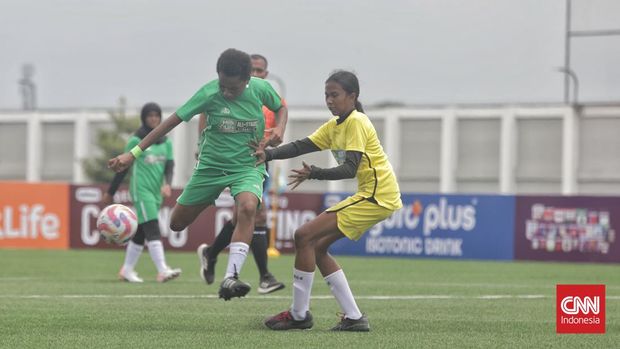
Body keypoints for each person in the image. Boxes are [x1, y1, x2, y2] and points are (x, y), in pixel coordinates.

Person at [108, 48, 288, 300]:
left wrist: (280, 127)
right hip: (210, 168)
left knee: (248, 208)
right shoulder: (209, 93)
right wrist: (133, 153)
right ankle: (208, 253)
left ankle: (231, 276)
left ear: (247, 80)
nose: (225, 92)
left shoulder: (260, 89)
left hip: (247, 165)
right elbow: (168, 124)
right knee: (176, 223)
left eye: (232, 88)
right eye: (222, 85)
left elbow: (281, 107)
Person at [255, 71, 402, 331]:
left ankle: (299, 315)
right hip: (374, 195)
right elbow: (301, 146)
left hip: (377, 195)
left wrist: (315, 173)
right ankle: (354, 318)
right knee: (317, 246)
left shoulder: (356, 121)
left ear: (352, 96)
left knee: (303, 235)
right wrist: (267, 154)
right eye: (326, 95)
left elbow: (349, 169)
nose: (329, 100)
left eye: (335, 95)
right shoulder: (336, 126)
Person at [196, 53, 285, 294]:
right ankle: (265, 276)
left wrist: (277, 132)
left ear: (266, 74)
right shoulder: (235, 93)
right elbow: (206, 112)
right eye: (253, 70)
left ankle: (211, 253)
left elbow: (281, 112)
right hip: (236, 161)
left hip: (259, 161)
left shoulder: (265, 95)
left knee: (242, 217)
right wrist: (201, 145)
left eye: (260, 71)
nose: (256, 74)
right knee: (255, 212)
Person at [102, 102, 182, 283]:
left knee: (141, 233)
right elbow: (122, 167)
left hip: (156, 193)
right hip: (141, 190)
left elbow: (170, 166)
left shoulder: (166, 142)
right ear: (144, 118)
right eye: (150, 116)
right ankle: (162, 270)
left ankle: (127, 270)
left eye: (156, 115)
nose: (153, 119)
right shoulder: (135, 141)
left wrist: (168, 184)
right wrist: (110, 192)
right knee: (153, 227)